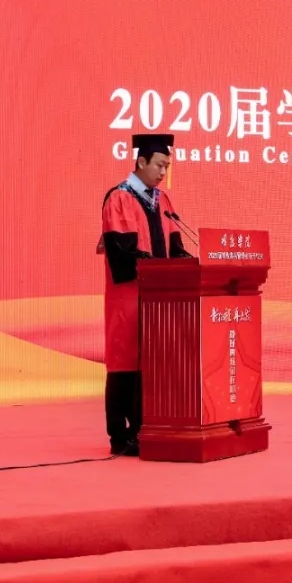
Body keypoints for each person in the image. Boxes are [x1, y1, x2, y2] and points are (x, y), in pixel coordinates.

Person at [98, 133, 192, 455]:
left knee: (151, 363)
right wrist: (154, 266)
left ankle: (145, 429)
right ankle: (120, 437)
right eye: (160, 165)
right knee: (125, 361)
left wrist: (188, 263)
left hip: (157, 300)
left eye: (167, 166)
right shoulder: (119, 198)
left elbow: (175, 248)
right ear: (141, 162)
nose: (164, 172)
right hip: (128, 298)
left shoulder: (163, 201)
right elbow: (122, 255)